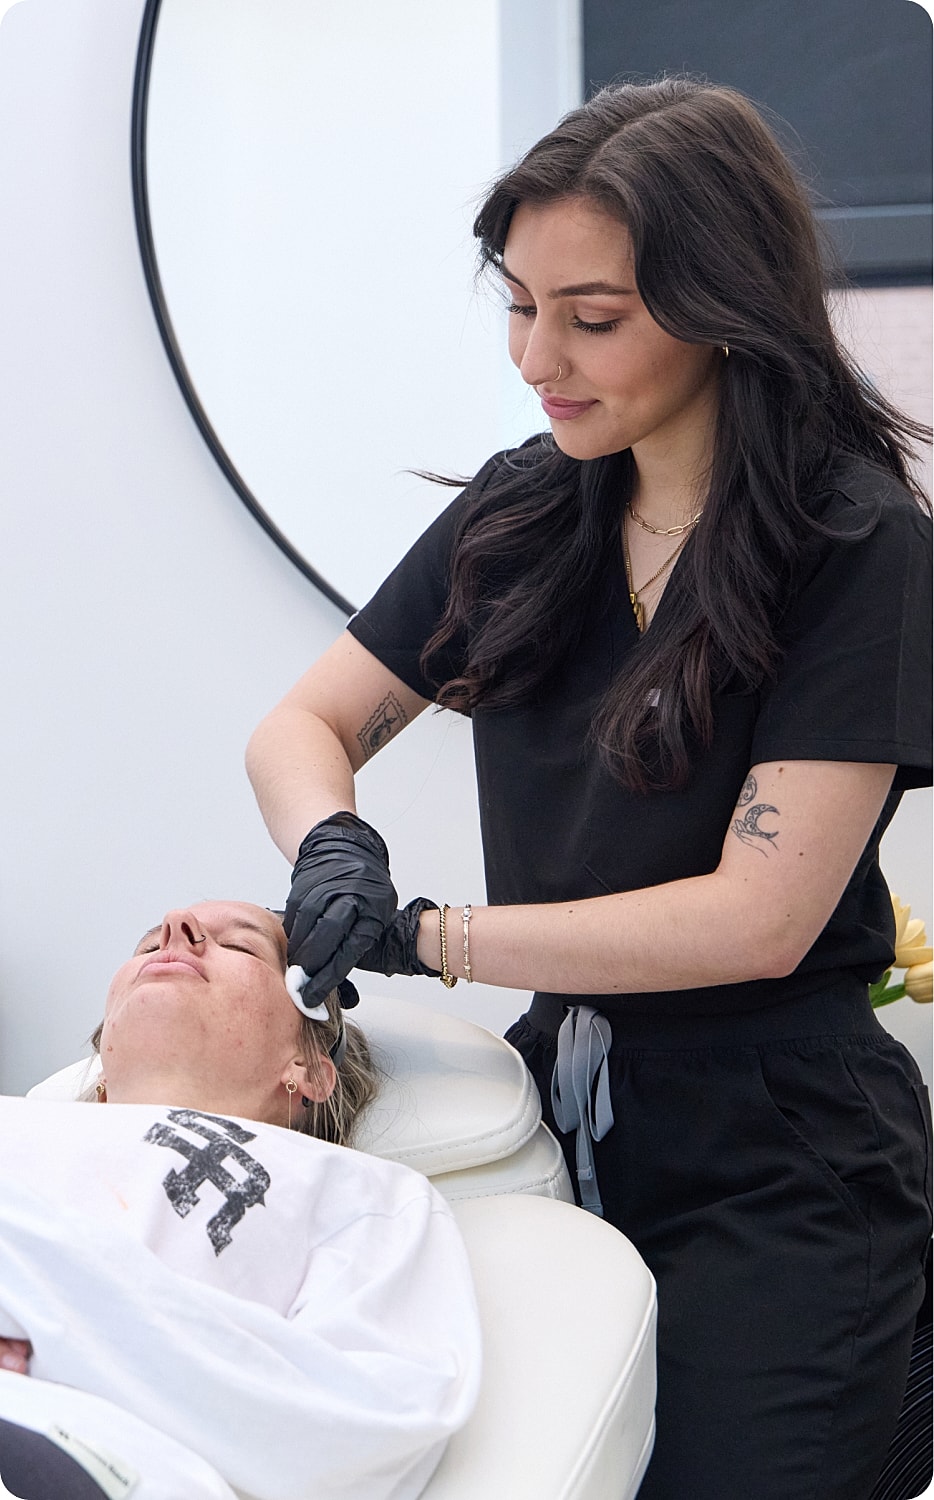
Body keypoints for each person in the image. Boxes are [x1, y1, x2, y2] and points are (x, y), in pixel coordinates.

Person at [246, 78, 933, 1499]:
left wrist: (430, 936)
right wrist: (332, 849)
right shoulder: (526, 507)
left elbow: (758, 918)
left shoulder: (850, 543)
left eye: (592, 318)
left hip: (778, 1161)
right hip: (557, 1127)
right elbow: (305, 724)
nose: (536, 357)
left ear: (722, 303)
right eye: (518, 306)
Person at [0, 901, 481, 1500]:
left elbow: (364, 1429)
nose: (175, 929)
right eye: (148, 945)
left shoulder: (365, 1196)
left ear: (309, 1069)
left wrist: (47, 1310)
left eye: (241, 945)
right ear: (104, 1065)